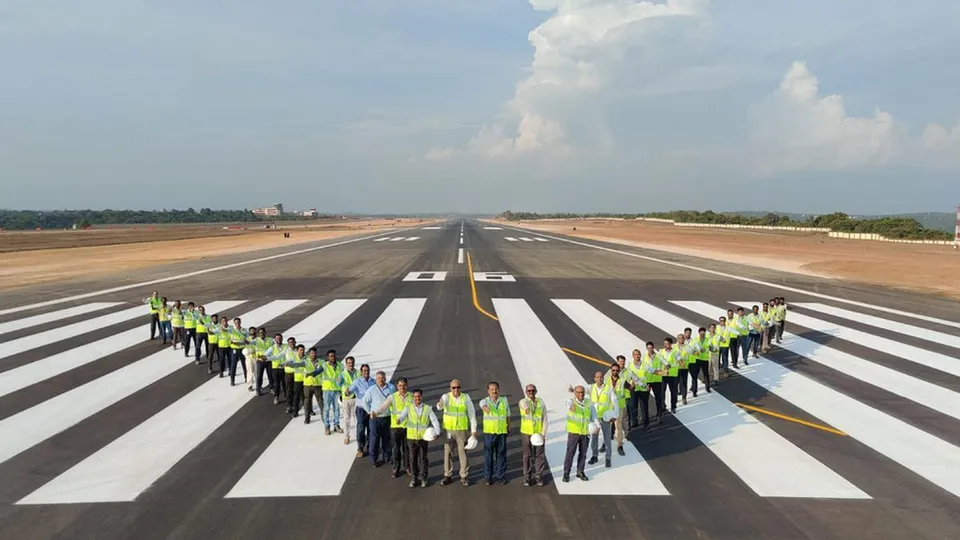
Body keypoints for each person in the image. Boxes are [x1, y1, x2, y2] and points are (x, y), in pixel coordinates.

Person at [393, 389, 441, 488]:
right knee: (413, 458)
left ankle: (423, 478)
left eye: (418, 396)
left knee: (423, 458)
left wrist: (437, 432)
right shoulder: (408, 408)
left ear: (421, 397)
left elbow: (434, 420)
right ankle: (414, 478)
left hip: (423, 438)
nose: (417, 398)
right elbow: (402, 416)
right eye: (415, 397)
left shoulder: (427, 408)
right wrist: (399, 420)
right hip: (411, 438)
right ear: (413, 398)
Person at [436, 379, 477, 486]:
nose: (456, 389)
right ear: (450, 388)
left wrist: (474, 432)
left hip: (462, 431)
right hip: (449, 430)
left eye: (458, 387)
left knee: (462, 453)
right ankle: (447, 475)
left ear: (460, 388)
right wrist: (440, 404)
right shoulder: (446, 397)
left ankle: (464, 476)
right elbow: (440, 406)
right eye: (453, 387)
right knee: (448, 452)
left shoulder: (466, 398)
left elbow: (472, 415)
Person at [373, 377, 413, 479]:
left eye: (404, 385)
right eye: (400, 385)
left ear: (407, 386)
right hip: (396, 427)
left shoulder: (411, 397)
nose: (402, 387)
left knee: (406, 449)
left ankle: (407, 467)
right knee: (396, 449)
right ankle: (396, 468)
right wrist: (376, 413)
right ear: (397, 386)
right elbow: (384, 407)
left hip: (408, 427)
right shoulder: (392, 397)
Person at [361, 371, 396, 467]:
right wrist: (369, 412)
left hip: (388, 417)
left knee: (387, 439)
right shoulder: (371, 390)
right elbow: (365, 402)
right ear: (376, 380)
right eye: (378, 378)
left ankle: (387, 457)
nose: (381, 380)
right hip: (375, 419)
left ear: (385, 378)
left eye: (382, 378)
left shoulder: (391, 388)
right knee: (374, 439)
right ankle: (374, 459)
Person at [479, 381, 510, 485]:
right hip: (490, 433)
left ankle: (501, 475)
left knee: (501, 454)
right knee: (489, 455)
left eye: (496, 389)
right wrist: (485, 408)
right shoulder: (485, 401)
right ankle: (488, 477)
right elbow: (483, 406)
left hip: (501, 432)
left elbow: (507, 415)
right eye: (492, 389)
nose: (494, 391)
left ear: (498, 389)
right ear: (488, 391)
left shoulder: (504, 400)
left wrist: (508, 426)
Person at [563, 385, 594, 482]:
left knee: (583, 453)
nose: (581, 394)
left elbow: (593, 415)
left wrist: (596, 425)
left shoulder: (589, 402)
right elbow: (569, 404)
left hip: (585, 433)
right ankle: (566, 473)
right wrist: (571, 406)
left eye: (582, 392)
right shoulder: (571, 401)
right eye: (579, 392)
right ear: (575, 393)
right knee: (570, 453)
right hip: (574, 432)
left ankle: (580, 471)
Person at [586, 371, 618, 468]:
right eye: (597, 377)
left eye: (601, 377)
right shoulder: (591, 387)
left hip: (605, 418)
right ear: (594, 378)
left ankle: (608, 458)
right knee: (594, 438)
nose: (599, 379)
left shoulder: (609, 388)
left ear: (603, 378)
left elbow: (614, 401)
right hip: (595, 417)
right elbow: (581, 390)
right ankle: (594, 456)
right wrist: (572, 390)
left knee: (607, 438)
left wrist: (615, 415)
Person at [518, 383, 547, 487]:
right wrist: (527, 409)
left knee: (540, 455)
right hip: (527, 433)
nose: (531, 392)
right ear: (526, 392)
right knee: (527, 455)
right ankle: (527, 476)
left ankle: (538, 476)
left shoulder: (541, 402)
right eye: (529, 391)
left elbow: (544, 418)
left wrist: (543, 433)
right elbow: (524, 407)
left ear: (536, 391)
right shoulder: (523, 401)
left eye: (533, 390)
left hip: (538, 433)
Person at [348, 363, 374, 457]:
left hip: (371, 410)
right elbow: (349, 390)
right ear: (361, 372)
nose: (366, 372)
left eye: (367, 371)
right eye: (364, 371)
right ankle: (360, 448)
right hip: (361, 410)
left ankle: (370, 447)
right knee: (360, 430)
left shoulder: (373, 382)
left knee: (371, 429)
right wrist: (347, 392)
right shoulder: (357, 382)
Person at [320, 350, 343, 435]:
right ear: (328, 357)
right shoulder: (324, 365)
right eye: (330, 356)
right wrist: (312, 374)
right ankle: (327, 426)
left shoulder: (340, 365)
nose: (332, 357)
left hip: (337, 390)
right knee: (326, 408)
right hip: (327, 390)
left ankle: (336, 425)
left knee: (336, 408)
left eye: (333, 356)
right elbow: (318, 371)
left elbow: (342, 375)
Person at [338, 356, 359, 445]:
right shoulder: (342, 374)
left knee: (357, 419)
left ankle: (359, 435)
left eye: (352, 363)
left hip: (357, 398)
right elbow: (338, 383)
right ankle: (347, 436)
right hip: (346, 399)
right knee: (346, 419)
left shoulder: (358, 372)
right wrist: (339, 381)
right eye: (349, 363)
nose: (351, 364)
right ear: (346, 364)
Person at [302, 348, 324, 424]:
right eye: (311, 353)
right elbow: (297, 364)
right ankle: (307, 418)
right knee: (307, 402)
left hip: (318, 384)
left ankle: (323, 416)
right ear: (309, 354)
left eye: (314, 353)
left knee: (320, 401)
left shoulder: (321, 362)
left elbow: (322, 369)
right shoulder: (305, 362)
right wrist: (290, 364)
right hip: (308, 384)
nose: (313, 355)